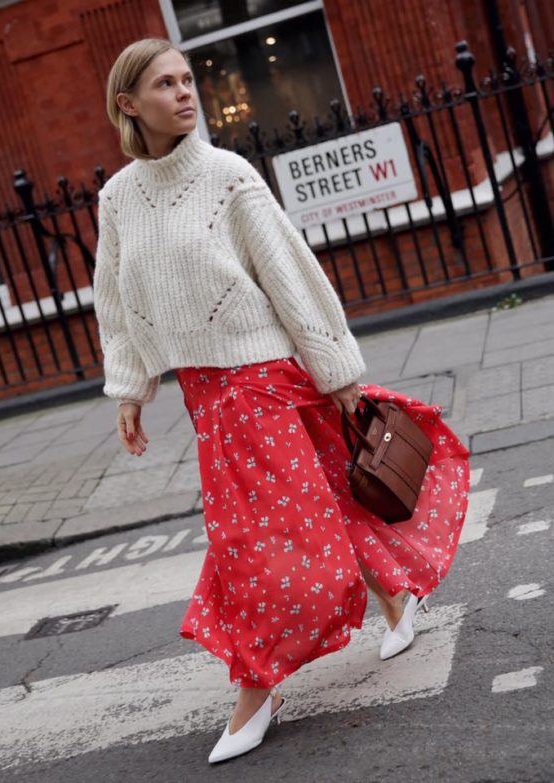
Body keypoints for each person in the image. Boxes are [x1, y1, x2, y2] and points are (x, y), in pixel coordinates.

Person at [93, 37, 470, 765]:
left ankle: (256, 687)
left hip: (263, 379)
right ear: (127, 104)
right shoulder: (116, 200)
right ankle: (396, 598)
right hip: (206, 395)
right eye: (164, 84)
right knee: (328, 495)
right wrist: (129, 389)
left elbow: (290, 274)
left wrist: (336, 368)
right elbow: (115, 300)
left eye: (186, 79)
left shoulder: (228, 177)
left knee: (252, 540)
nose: (183, 93)